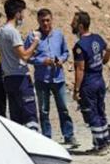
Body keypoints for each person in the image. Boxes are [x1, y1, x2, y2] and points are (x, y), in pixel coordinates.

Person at [25, 8, 77, 145]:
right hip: (42, 79)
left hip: (58, 78)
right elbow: (26, 57)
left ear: (52, 19)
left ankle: (69, 135)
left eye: (48, 20)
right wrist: (42, 61)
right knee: (43, 110)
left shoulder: (59, 35)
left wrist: (61, 59)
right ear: (38, 21)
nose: (46, 23)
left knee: (63, 108)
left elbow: (66, 52)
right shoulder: (32, 37)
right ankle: (47, 138)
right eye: (43, 21)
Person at [71, 11, 110, 154]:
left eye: (74, 22)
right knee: (101, 111)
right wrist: (102, 61)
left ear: (81, 26)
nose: (71, 24)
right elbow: (109, 50)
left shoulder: (80, 45)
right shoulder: (97, 38)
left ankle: (100, 146)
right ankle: (105, 140)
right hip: (100, 80)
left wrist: (76, 90)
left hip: (88, 84)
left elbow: (80, 69)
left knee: (91, 113)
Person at [0, 0, 40, 131]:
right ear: (17, 13)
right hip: (20, 78)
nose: (22, 16)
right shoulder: (13, 32)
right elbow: (25, 55)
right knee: (29, 115)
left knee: (16, 117)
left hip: (8, 78)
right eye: (21, 12)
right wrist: (35, 42)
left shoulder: (0, 31)